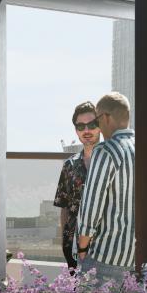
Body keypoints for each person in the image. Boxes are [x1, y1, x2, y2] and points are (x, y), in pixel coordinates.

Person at [76, 90, 137, 278]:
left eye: (97, 120)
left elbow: (91, 207)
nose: (98, 127)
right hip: (138, 258)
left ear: (107, 117)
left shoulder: (106, 151)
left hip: (105, 258)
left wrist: (82, 248)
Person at [52, 101, 101, 271]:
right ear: (76, 130)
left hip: (104, 247)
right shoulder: (69, 165)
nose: (86, 131)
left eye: (92, 125)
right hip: (72, 244)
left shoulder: (112, 162)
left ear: (100, 126)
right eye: (81, 126)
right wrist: (65, 240)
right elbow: (63, 206)